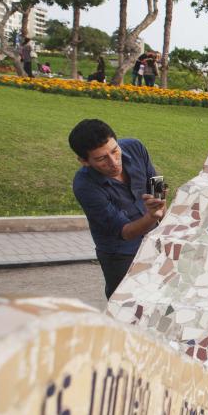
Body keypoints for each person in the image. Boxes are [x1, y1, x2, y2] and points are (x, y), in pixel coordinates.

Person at [69, 119, 166, 299]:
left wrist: (161, 208)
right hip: (120, 253)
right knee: (125, 304)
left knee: (159, 296)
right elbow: (126, 232)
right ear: (84, 161)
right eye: (101, 159)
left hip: (154, 239)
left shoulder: (135, 147)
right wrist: (153, 216)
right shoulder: (85, 186)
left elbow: (156, 181)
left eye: (115, 151)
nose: (113, 162)